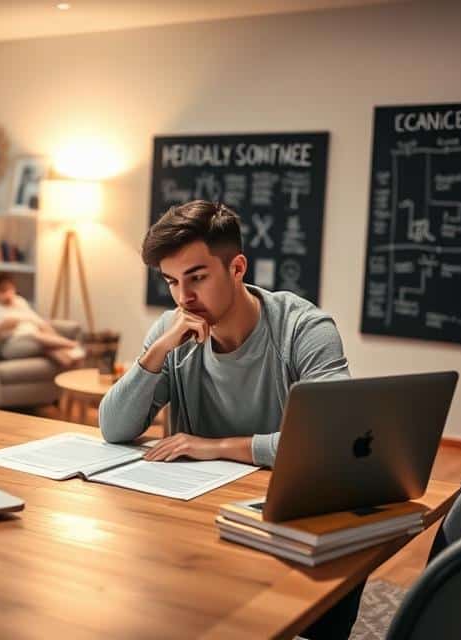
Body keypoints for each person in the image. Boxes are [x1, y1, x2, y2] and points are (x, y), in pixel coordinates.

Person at [97, 200, 357, 640]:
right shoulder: (172, 329)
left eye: (197, 277)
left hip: (285, 522)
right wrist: (158, 350)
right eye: (172, 282)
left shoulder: (304, 330)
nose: (184, 297)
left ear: (237, 268)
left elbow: (332, 443)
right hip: (195, 519)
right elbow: (114, 428)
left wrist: (217, 446)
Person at [0, 274, 84, 367]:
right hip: (10, 344)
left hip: (32, 339)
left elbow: (37, 320)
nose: (8, 294)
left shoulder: (19, 301)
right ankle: (73, 344)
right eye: (3, 291)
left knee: (52, 350)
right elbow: (1, 333)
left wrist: (52, 333)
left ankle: (68, 361)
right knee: (37, 336)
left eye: (10, 290)